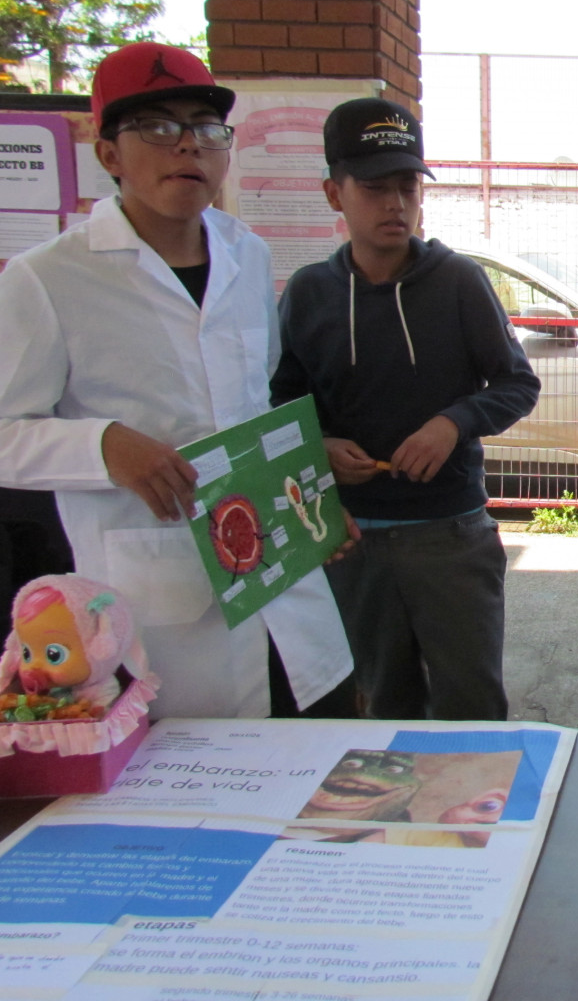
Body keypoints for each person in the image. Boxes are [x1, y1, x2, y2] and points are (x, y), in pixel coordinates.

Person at [0, 42, 354, 718]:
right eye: (158, 127)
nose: (188, 146)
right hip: (164, 610)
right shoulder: (46, 278)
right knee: (195, 765)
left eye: (206, 128)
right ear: (109, 154)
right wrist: (103, 446)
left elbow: (251, 408)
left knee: (320, 739)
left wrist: (307, 490)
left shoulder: (247, 254)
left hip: (282, 580)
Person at [270, 98, 540, 721]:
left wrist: (453, 423)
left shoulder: (459, 281)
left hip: (450, 534)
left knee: (472, 707)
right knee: (383, 706)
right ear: (334, 194)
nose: (395, 204)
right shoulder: (308, 293)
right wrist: (318, 447)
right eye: (374, 188)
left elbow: (516, 383)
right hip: (348, 536)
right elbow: (281, 401)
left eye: (408, 187)